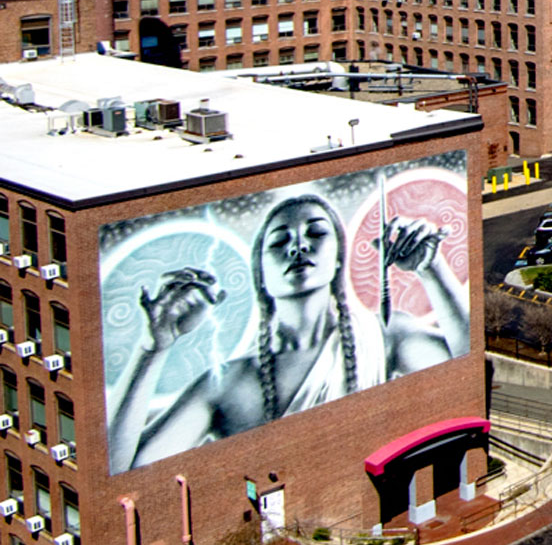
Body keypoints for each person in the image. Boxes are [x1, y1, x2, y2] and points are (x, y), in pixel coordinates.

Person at [109, 194, 462, 473]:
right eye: (279, 242)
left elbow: (465, 372)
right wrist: (152, 349)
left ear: (339, 255)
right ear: (259, 272)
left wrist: (432, 269)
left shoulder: (385, 332)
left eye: (316, 233)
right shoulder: (229, 383)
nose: (298, 247)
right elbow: (123, 469)